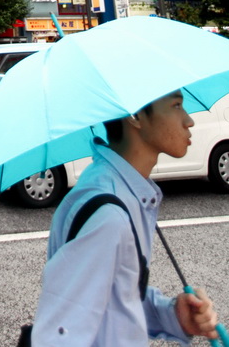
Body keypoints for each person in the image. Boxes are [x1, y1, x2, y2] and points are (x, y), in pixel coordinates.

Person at [30, 91, 218, 344]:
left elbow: (115, 302)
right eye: (176, 105)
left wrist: (173, 315)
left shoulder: (121, 190)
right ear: (135, 115)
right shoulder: (109, 215)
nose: (188, 120)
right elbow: (59, 337)